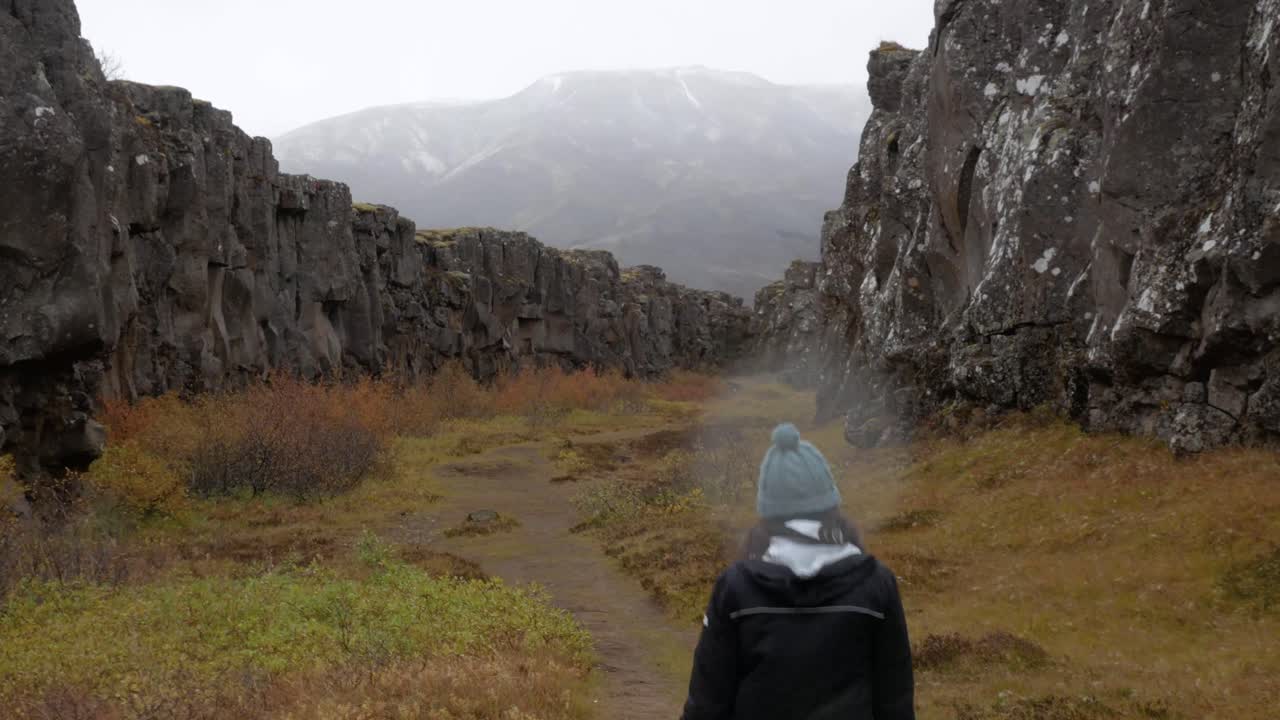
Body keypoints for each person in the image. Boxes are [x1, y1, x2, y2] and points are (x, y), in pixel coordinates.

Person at [680, 423, 915, 720]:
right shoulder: (877, 585)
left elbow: (707, 704)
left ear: (768, 510)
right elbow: (895, 704)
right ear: (830, 504)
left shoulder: (736, 588)